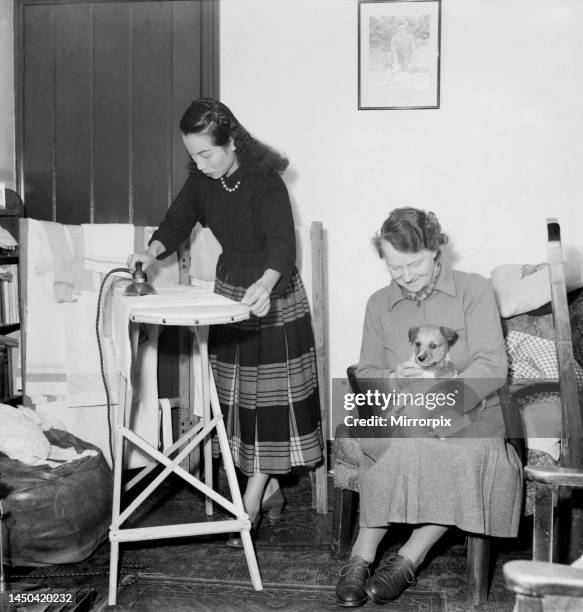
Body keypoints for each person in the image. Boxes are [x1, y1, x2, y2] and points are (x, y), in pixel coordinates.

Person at [127, 98, 323, 547]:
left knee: (268, 402)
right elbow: (176, 221)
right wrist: (152, 250)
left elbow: (281, 247)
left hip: (271, 295)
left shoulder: (266, 183)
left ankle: (251, 502)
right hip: (230, 288)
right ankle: (270, 488)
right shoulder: (203, 182)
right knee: (237, 400)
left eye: (206, 154)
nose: (199, 164)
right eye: (193, 155)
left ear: (231, 142)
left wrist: (267, 285)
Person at [335, 207, 523, 607]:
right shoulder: (379, 303)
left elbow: (492, 365)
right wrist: (393, 378)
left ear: (436, 250)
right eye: (394, 267)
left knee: (461, 450)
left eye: (414, 264)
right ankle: (361, 557)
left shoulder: (474, 289)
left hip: (471, 408)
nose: (405, 276)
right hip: (400, 409)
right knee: (397, 436)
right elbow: (365, 372)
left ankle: (408, 557)